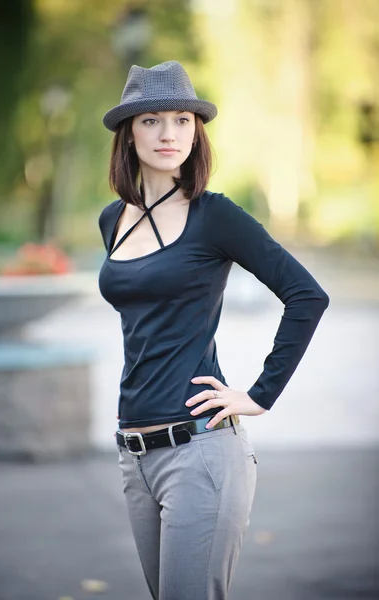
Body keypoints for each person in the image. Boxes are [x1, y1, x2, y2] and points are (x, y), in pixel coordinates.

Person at [98, 60, 330, 600]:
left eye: (182, 119)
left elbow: (306, 296)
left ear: (196, 131)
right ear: (129, 133)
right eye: (151, 120)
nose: (168, 133)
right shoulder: (114, 219)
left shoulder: (214, 216)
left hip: (200, 451)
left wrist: (259, 395)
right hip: (135, 452)